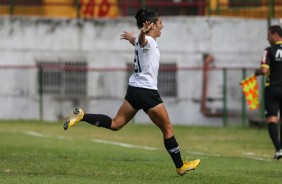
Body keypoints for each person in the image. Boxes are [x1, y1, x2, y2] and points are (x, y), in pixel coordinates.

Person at [63, 9, 200, 175]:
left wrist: (131, 37)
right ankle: (180, 166)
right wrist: (141, 34)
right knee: (168, 129)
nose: (162, 26)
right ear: (151, 25)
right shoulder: (147, 39)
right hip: (147, 91)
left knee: (116, 124)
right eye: (160, 23)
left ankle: (83, 116)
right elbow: (142, 41)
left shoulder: (143, 40)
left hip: (134, 89)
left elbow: (137, 41)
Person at [255, 25, 282, 160]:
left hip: (272, 88)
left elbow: (264, 70)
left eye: (269, 35)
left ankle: (278, 149)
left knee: (272, 119)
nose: (267, 38)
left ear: (276, 35)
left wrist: (257, 72)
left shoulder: (269, 50)